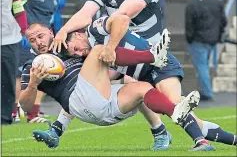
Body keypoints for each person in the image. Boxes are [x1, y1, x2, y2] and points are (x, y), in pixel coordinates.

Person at [49, 0, 215, 151]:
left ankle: (186, 132)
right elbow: (86, 12)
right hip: (127, 56)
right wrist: (64, 29)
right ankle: (57, 128)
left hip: (154, 56)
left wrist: (108, 45)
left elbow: (123, 15)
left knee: (173, 105)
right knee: (86, 81)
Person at [29, 17, 235, 150]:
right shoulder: (82, 57)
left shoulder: (96, 31)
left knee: (169, 103)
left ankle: (219, 140)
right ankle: (164, 126)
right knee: (168, 103)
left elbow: (120, 18)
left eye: (75, 48)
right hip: (145, 64)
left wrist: (107, 43)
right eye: (73, 52)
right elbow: (88, 81)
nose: (77, 53)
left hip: (161, 67)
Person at [14, 0, 65, 123]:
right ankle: (15, 111)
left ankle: (33, 113)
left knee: (45, 72)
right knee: (20, 73)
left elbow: (50, 20)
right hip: (25, 38)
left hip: (43, 41)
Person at [185, 0, 227, 101]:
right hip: (212, 40)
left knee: (201, 66)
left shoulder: (193, 3)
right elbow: (223, 20)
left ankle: (207, 93)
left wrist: (190, 38)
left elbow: (189, 23)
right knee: (203, 65)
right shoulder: (216, 1)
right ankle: (203, 91)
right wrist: (218, 35)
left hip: (198, 40)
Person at [1, 0, 28, 125]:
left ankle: (5, 117)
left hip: (9, 39)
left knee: (8, 80)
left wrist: (24, 29)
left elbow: (18, 9)